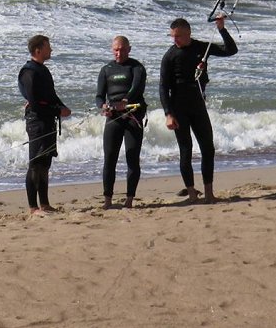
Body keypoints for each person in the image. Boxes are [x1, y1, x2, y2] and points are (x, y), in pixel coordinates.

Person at [158, 16, 237, 204]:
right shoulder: (169, 56)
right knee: (186, 151)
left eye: (177, 36)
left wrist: (221, 29)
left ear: (188, 34)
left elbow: (231, 50)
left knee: (208, 149)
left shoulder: (202, 48)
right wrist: (168, 114)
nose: (174, 40)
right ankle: (192, 193)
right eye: (172, 36)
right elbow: (163, 87)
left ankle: (209, 193)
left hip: (198, 105)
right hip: (179, 108)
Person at [18, 34, 71, 215]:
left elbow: (51, 95)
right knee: (35, 163)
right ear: (38, 50)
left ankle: (45, 204)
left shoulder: (43, 70)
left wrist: (63, 107)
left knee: (45, 163)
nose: (51, 50)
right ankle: (33, 207)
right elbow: (34, 102)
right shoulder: (29, 71)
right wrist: (57, 111)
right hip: (36, 122)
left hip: (47, 121)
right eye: (48, 47)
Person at [95, 35, 147, 209]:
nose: (119, 53)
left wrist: (124, 101)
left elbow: (137, 87)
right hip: (113, 118)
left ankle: (129, 198)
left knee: (132, 157)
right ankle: (108, 199)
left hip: (132, 116)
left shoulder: (137, 67)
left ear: (129, 49)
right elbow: (99, 96)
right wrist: (103, 106)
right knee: (110, 159)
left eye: (122, 49)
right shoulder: (106, 69)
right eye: (116, 49)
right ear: (112, 49)